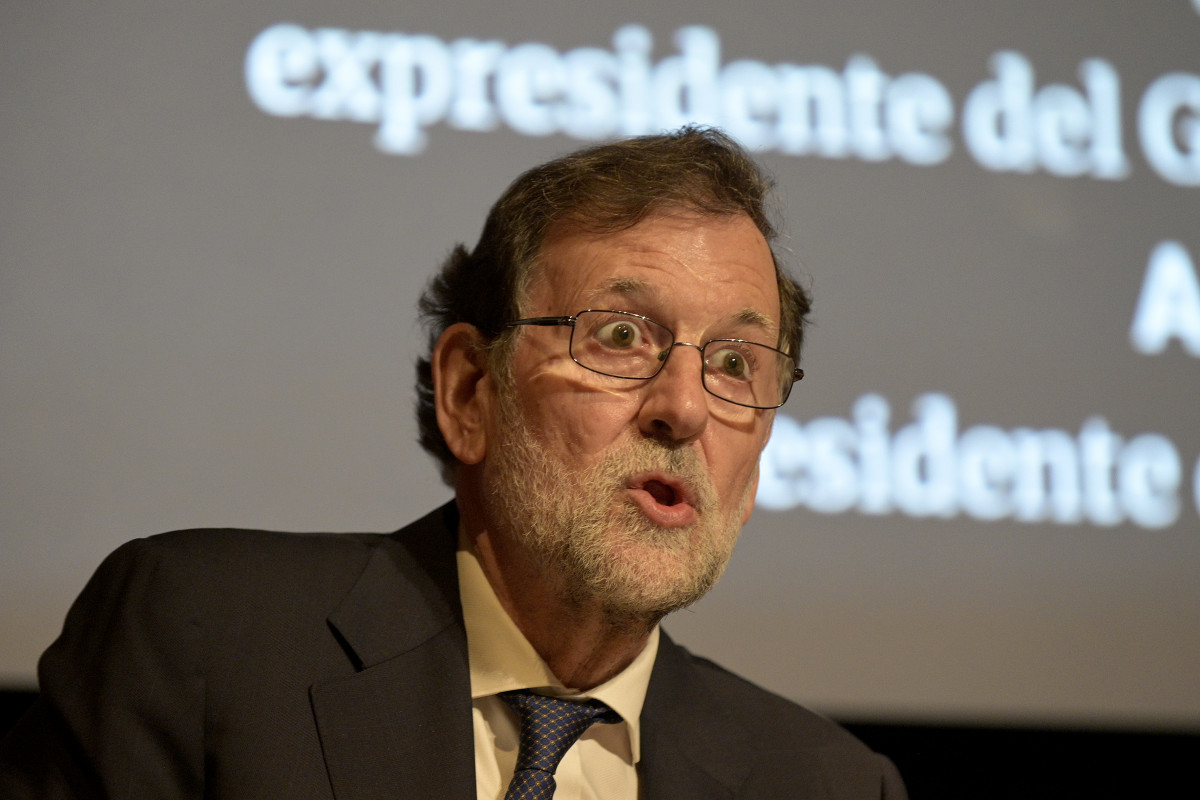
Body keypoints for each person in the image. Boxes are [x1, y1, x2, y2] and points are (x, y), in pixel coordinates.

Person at [0, 127, 906, 798]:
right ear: (472, 391)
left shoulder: (824, 783)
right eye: (622, 337)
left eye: (738, 364)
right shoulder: (203, 643)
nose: (685, 405)